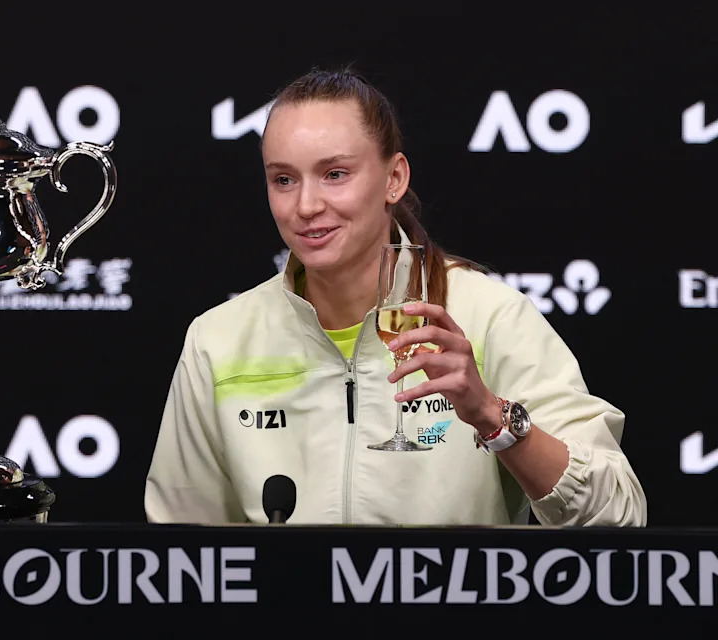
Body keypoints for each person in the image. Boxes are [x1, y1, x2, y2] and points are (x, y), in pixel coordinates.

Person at [144, 67, 647, 526]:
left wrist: (492, 416)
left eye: (335, 174)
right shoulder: (218, 339)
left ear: (394, 178)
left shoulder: (489, 316)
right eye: (283, 180)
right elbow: (179, 554)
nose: (306, 205)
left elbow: (618, 515)